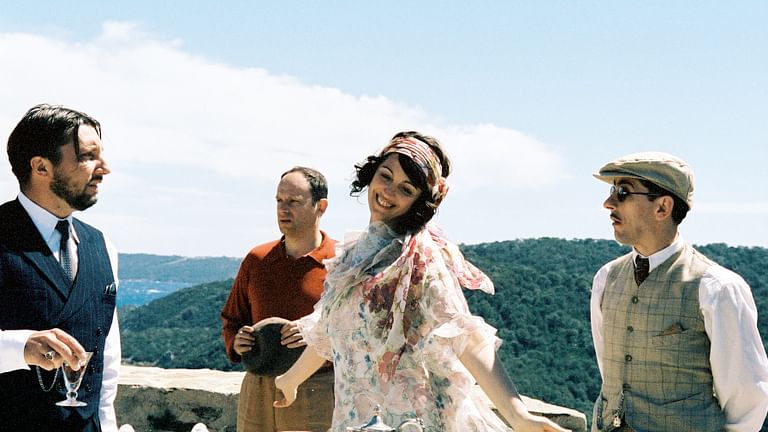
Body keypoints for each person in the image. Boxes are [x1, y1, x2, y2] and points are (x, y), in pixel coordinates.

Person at [274, 132, 569, 432]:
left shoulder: (418, 257)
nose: (388, 191)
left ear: (419, 200)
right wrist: (290, 380)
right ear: (372, 173)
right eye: (385, 176)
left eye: (406, 188)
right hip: (355, 421)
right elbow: (332, 332)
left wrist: (518, 415)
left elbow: (465, 337)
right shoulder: (353, 256)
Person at [590, 152, 768, 431]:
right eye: (612, 191)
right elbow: (611, 372)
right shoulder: (606, 278)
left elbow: (746, 402)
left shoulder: (717, 288)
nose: (608, 203)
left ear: (663, 207)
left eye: (623, 192)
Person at [0, 104, 120, 431]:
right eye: (88, 156)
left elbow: (107, 361)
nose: (104, 168)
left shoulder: (102, 246)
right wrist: (19, 347)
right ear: (41, 167)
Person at [221, 166, 336, 432]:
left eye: (294, 201)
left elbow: (353, 331)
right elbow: (232, 319)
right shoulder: (257, 259)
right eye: (279, 200)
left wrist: (313, 336)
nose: (283, 209)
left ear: (321, 207)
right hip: (258, 388)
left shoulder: (340, 262)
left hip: (316, 387)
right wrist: (237, 341)